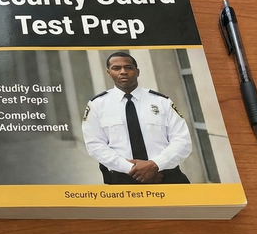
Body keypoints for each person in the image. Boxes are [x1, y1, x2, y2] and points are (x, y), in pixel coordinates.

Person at [82, 52, 192, 184]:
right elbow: (95, 145)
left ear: (137, 72)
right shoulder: (97, 105)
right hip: (122, 179)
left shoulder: (162, 102)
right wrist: (133, 170)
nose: (123, 72)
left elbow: (182, 140)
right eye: (116, 68)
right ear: (109, 73)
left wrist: (154, 165)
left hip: (166, 175)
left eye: (128, 67)